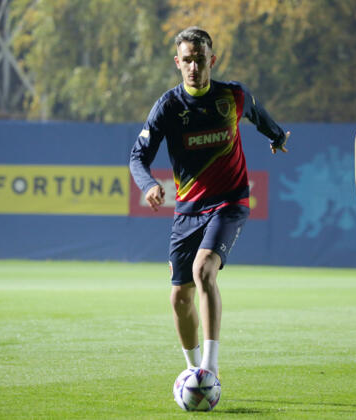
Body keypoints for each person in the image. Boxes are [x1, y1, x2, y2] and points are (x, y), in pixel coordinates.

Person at [129, 27, 289, 376]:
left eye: (200, 60)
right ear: (177, 62)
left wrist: (277, 137)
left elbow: (259, 115)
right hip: (187, 211)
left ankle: (210, 369)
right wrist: (148, 184)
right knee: (179, 297)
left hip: (230, 202)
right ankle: (193, 373)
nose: (194, 67)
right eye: (187, 60)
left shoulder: (233, 96)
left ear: (211, 60)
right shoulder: (168, 106)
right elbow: (137, 156)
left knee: (203, 271)